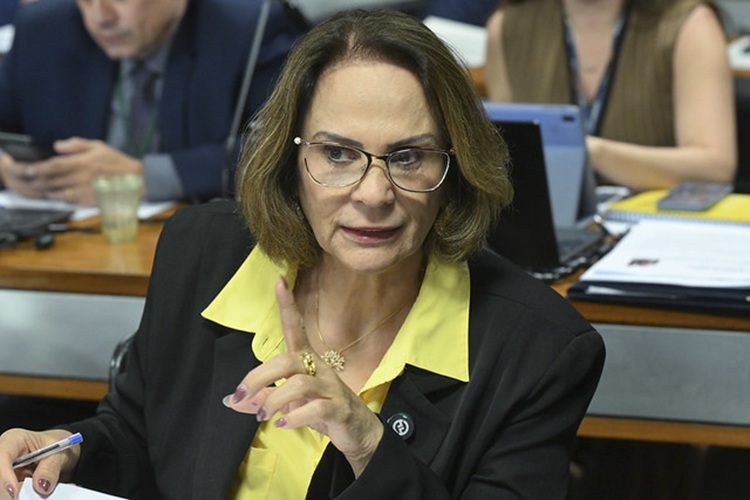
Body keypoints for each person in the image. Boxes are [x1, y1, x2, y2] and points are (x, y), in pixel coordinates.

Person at [0, 9, 604, 499]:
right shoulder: (202, 251)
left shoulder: (540, 349)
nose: (373, 194)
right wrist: (65, 450)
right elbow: (136, 435)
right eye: (337, 154)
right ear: (290, 161)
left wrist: (367, 443)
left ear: (455, 170)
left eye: (408, 157)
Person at [0, 0, 302, 206]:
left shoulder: (250, 27)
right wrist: (5, 168)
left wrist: (146, 177)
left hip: (194, 248)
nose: (101, 18)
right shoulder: (42, 28)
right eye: (87, 1)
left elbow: (288, 147)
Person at [484, 0, 737, 192]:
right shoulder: (508, 25)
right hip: (550, 226)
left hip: (653, 224)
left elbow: (715, 166)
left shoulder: (688, 23)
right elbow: (501, 154)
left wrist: (590, 151)